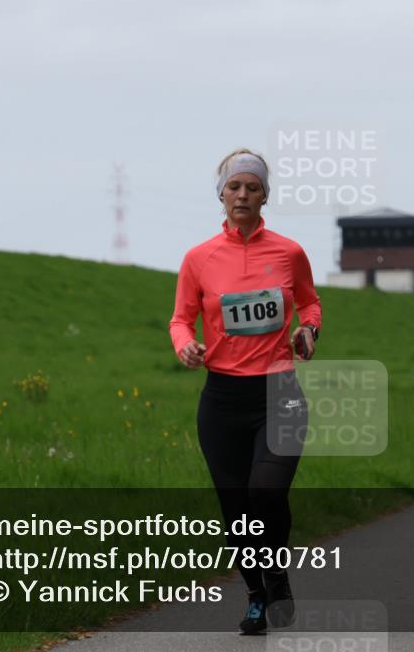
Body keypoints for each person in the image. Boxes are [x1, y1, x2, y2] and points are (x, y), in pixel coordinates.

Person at [168, 149, 321, 635]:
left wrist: (309, 331)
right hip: (222, 401)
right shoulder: (199, 258)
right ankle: (256, 595)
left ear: (265, 196)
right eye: (234, 186)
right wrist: (185, 345)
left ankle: (276, 576)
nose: (242, 195)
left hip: (280, 393)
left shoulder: (289, 253)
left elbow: (310, 304)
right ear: (221, 194)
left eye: (252, 187)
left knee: (266, 493)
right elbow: (180, 319)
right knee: (236, 511)